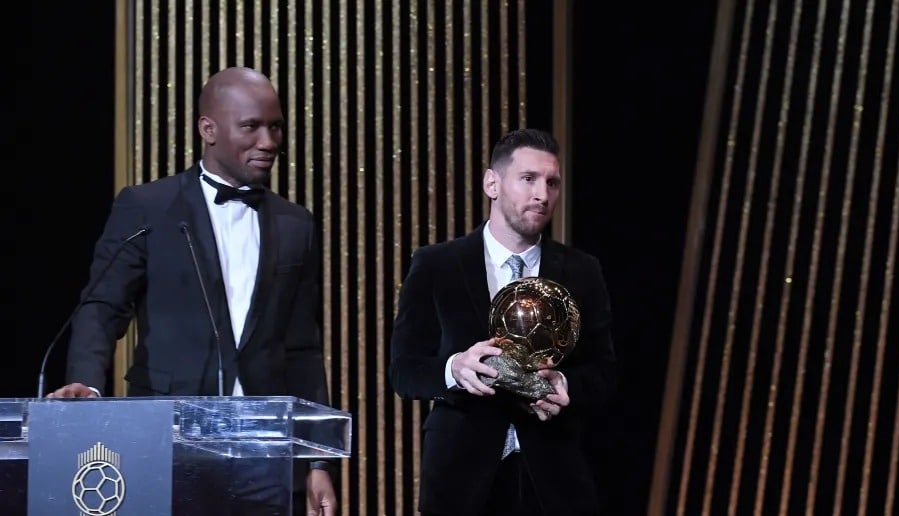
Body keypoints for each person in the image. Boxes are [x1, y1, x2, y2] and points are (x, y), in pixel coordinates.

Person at [47, 66, 337, 515]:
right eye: (251, 126)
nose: (269, 141)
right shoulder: (148, 206)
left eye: (275, 126)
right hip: (164, 440)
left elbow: (302, 348)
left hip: (265, 450)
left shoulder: (295, 223)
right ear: (208, 129)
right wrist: (86, 383)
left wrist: (318, 459)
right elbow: (102, 307)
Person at [389, 128, 617, 515]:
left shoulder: (582, 271)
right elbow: (404, 371)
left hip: (554, 479)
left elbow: (605, 374)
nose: (542, 194)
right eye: (528, 179)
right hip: (460, 481)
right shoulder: (437, 265)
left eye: (552, 182)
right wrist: (453, 369)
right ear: (491, 183)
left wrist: (564, 383)